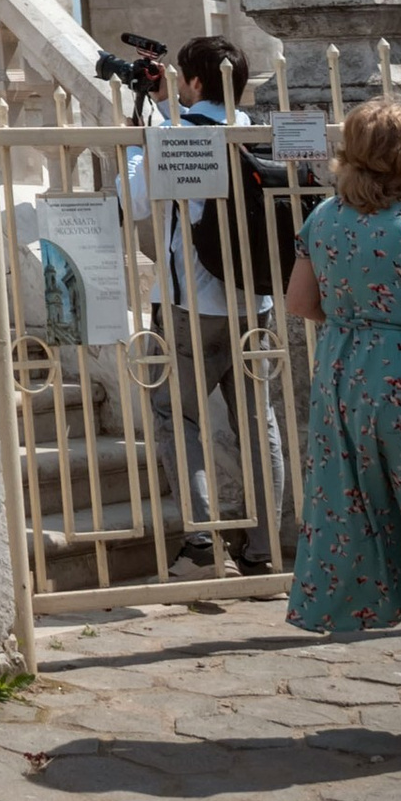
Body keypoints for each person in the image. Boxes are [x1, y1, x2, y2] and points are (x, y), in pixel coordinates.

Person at [130, 32, 285, 577]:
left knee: (179, 416)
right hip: (256, 301)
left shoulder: (175, 134)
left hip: (191, 302)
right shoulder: (259, 133)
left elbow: (134, 201)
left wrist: (139, 140)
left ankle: (201, 544)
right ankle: (265, 548)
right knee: (258, 421)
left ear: (195, 81)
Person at [283, 95, 401, 695]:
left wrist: (358, 321)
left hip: (348, 378)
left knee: (375, 514)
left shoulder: (325, 218)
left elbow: (299, 303)